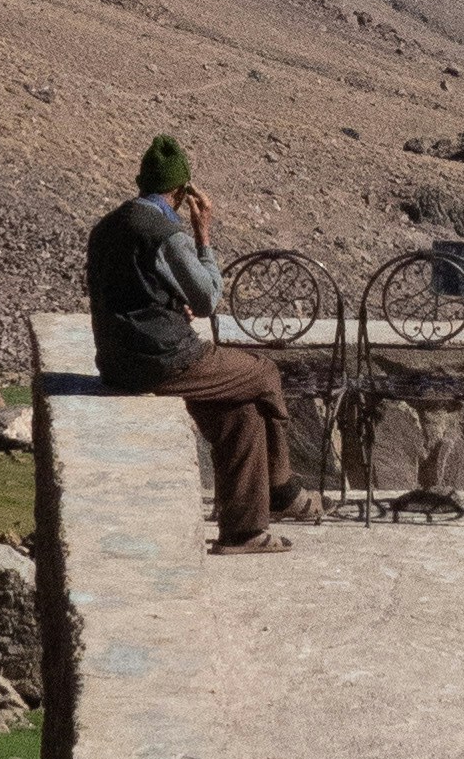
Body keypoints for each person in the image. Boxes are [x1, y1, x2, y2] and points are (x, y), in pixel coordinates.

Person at [86, 134, 322, 554]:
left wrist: (173, 301)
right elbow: (209, 299)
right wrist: (203, 234)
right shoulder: (165, 232)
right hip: (165, 359)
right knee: (264, 373)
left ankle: (244, 532)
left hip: (117, 360)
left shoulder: (108, 226)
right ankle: (283, 489)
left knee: (241, 414)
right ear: (181, 190)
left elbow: (132, 291)